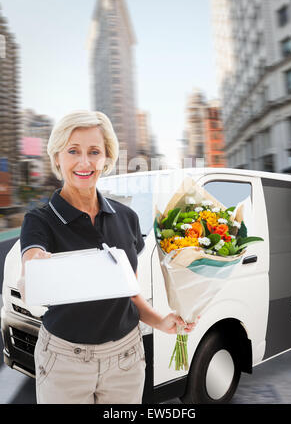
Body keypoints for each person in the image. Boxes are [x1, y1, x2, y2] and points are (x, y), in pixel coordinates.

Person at [17, 110, 198, 404]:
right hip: (64, 364)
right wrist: (33, 277)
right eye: (73, 151)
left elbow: (131, 292)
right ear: (57, 157)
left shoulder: (126, 217)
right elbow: (33, 262)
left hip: (126, 358)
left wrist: (161, 321)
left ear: (107, 158)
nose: (85, 162)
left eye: (94, 152)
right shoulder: (39, 220)